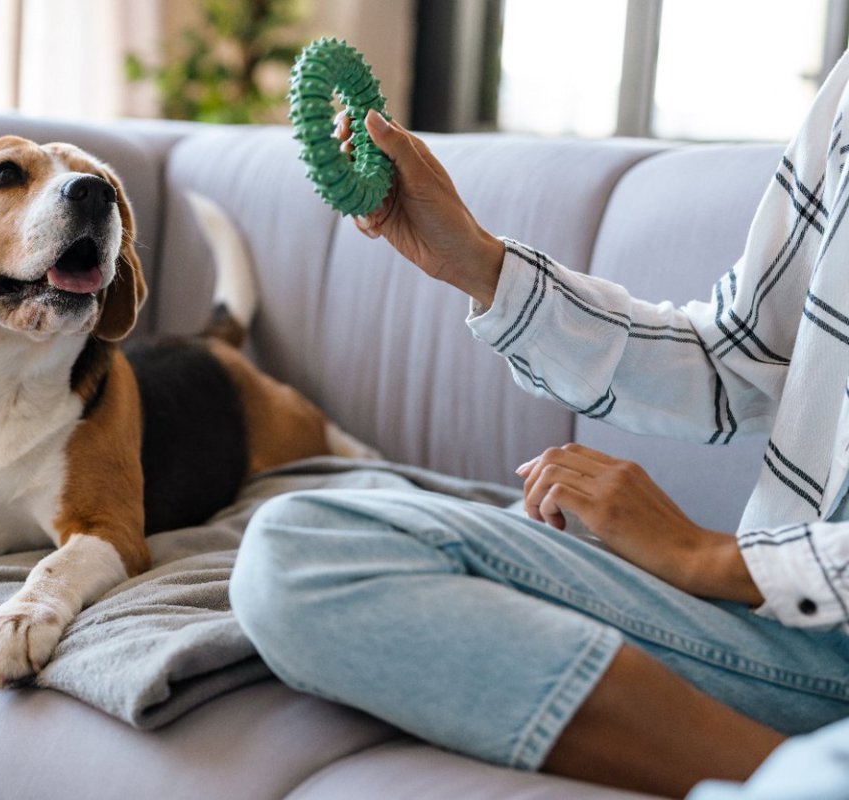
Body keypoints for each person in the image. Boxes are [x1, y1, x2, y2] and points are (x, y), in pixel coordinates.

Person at [229, 55, 849, 799]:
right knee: (311, 548)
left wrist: (705, 557)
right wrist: (480, 263)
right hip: (792, 631)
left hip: (781, 605)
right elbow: (738, 357)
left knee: (304, 556)